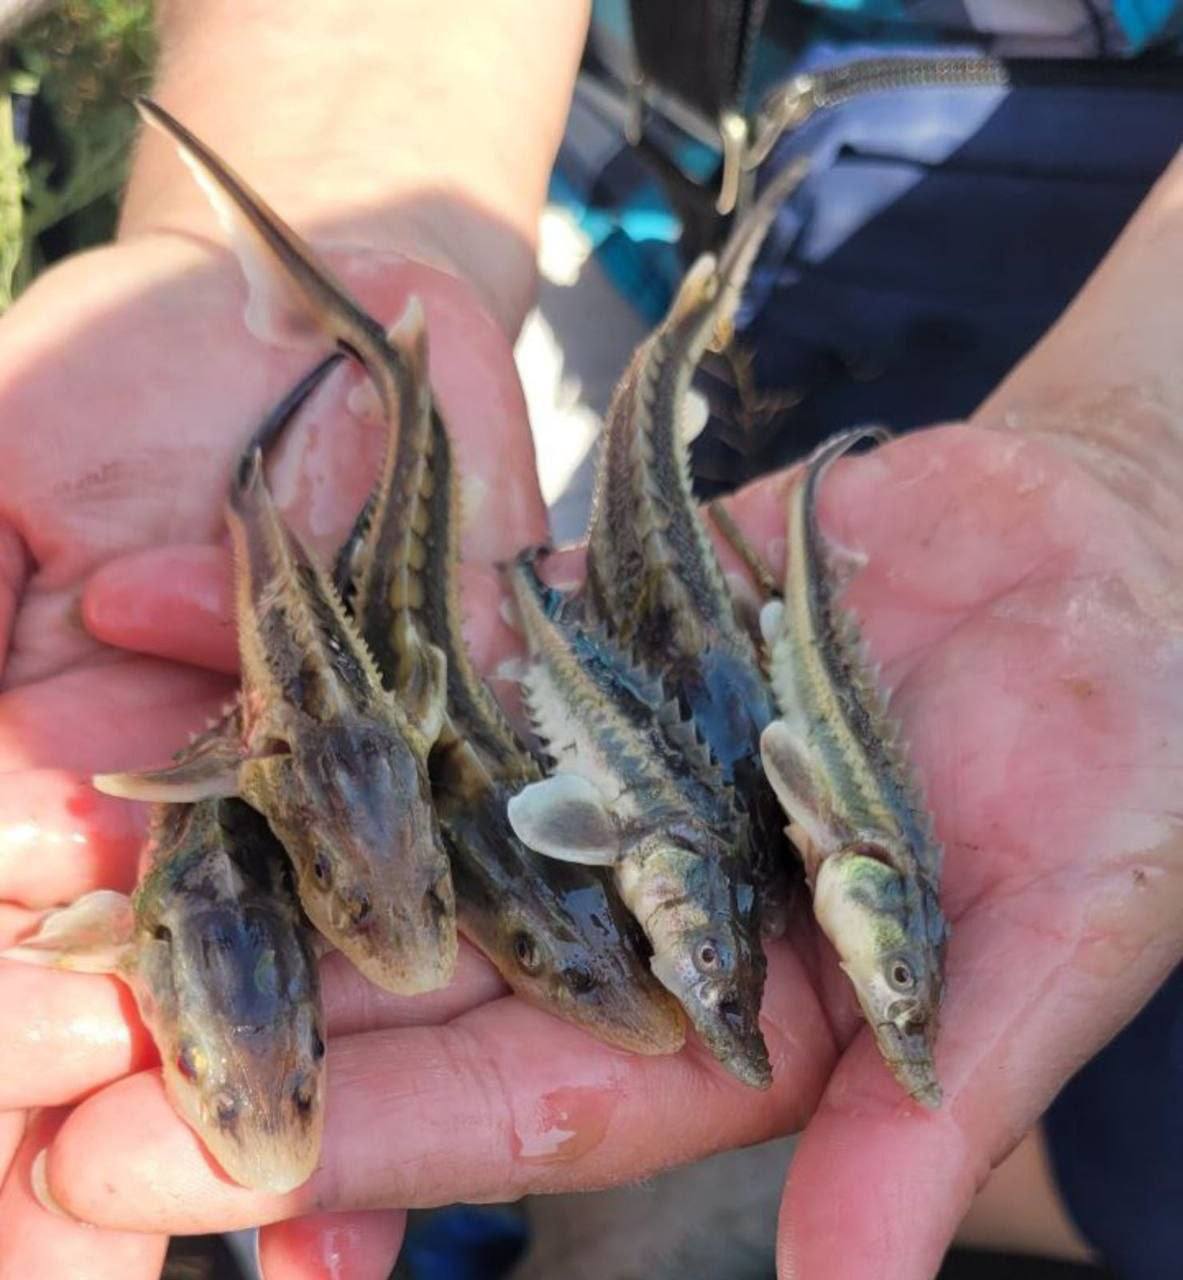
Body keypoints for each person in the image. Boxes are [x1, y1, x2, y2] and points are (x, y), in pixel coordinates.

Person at [0, 3, 1179, 1278]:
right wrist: (339, 179)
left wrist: (1148, 458)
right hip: (570, 164)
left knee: (1137, 1159)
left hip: (1077, 299)